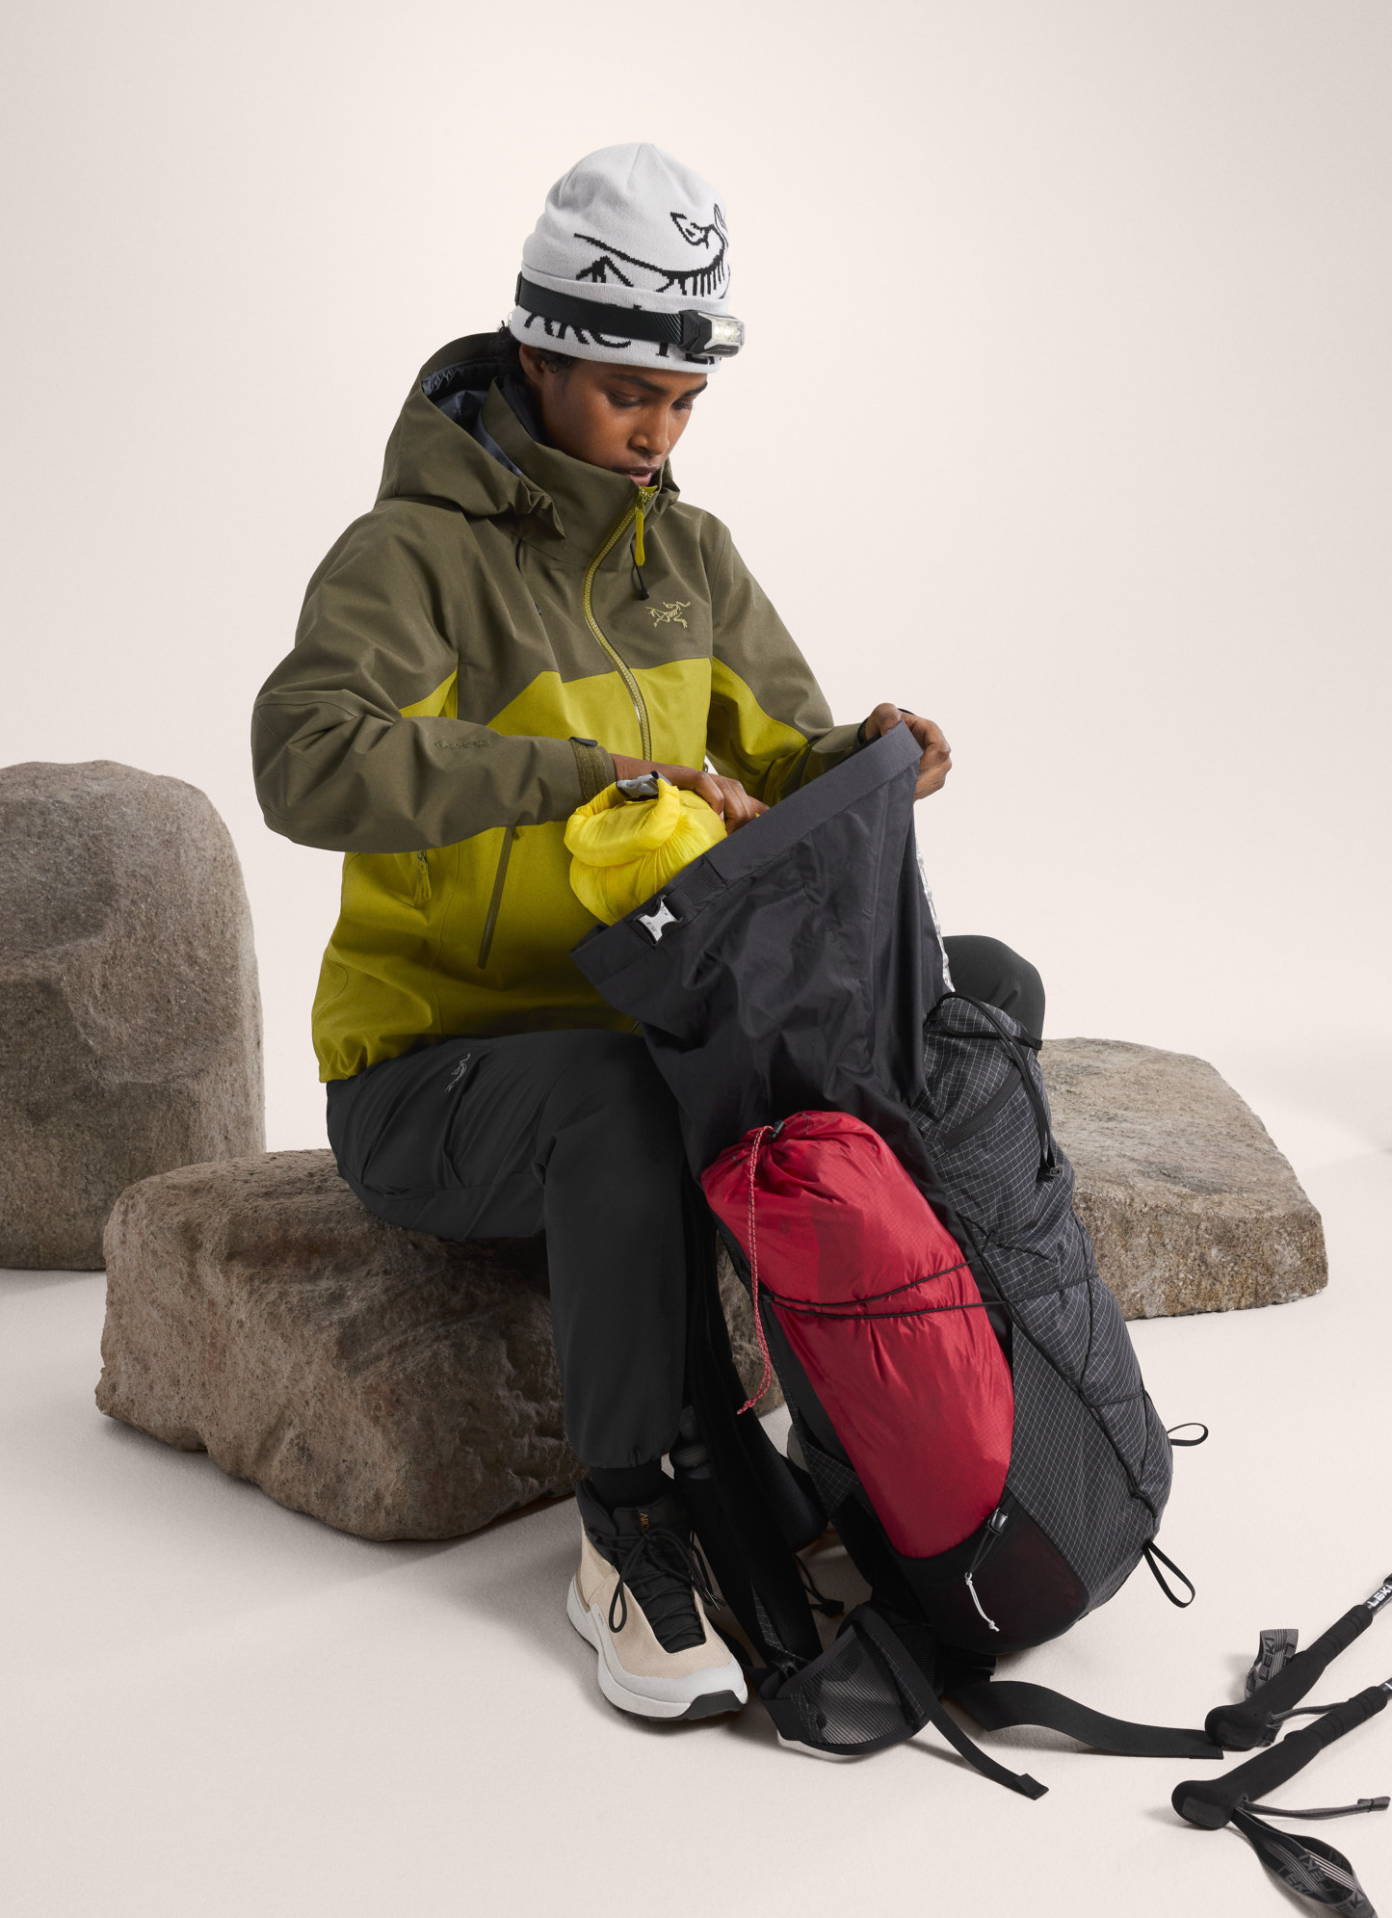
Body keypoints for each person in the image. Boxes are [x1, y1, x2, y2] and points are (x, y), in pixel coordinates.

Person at [251, 143, 1044, 1725]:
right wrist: (574, 777)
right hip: (441, 1075)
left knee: (974, 993)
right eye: (627, 394)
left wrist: (866, 754)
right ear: (537, 353)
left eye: (684, 400)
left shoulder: (690, 557)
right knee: (616, 1100)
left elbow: (778, 759)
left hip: (661, 1021)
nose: (658, 433)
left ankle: (876, 1452)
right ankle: (625, 1526)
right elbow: (305, 759)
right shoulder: (412, 557)